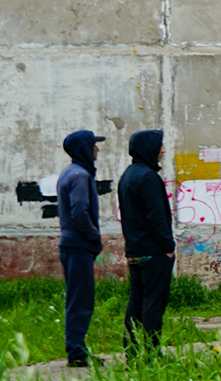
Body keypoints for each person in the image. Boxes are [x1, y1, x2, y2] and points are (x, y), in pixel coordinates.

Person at [118, 129, 176, 360]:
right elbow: (156, 216)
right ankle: (153, 352)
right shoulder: (149, 178)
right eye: (159, 146)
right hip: (154, 252)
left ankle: (131, 351)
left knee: (136, 301)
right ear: (148, 149)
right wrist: (168, 246)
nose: (162, 150)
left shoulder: (128, 175)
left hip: (135, 250)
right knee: (154, 302)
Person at [56, 129, 106, 367]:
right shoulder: (81, 176)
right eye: (93, 145)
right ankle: (76, 352)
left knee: (77, 298)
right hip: (78, 245)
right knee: (81, 300)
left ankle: (77, 349)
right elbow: (79, 213)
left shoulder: (69, 172)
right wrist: (95, 237)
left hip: (71, 244)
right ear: (84, 148)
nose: (97, 149)